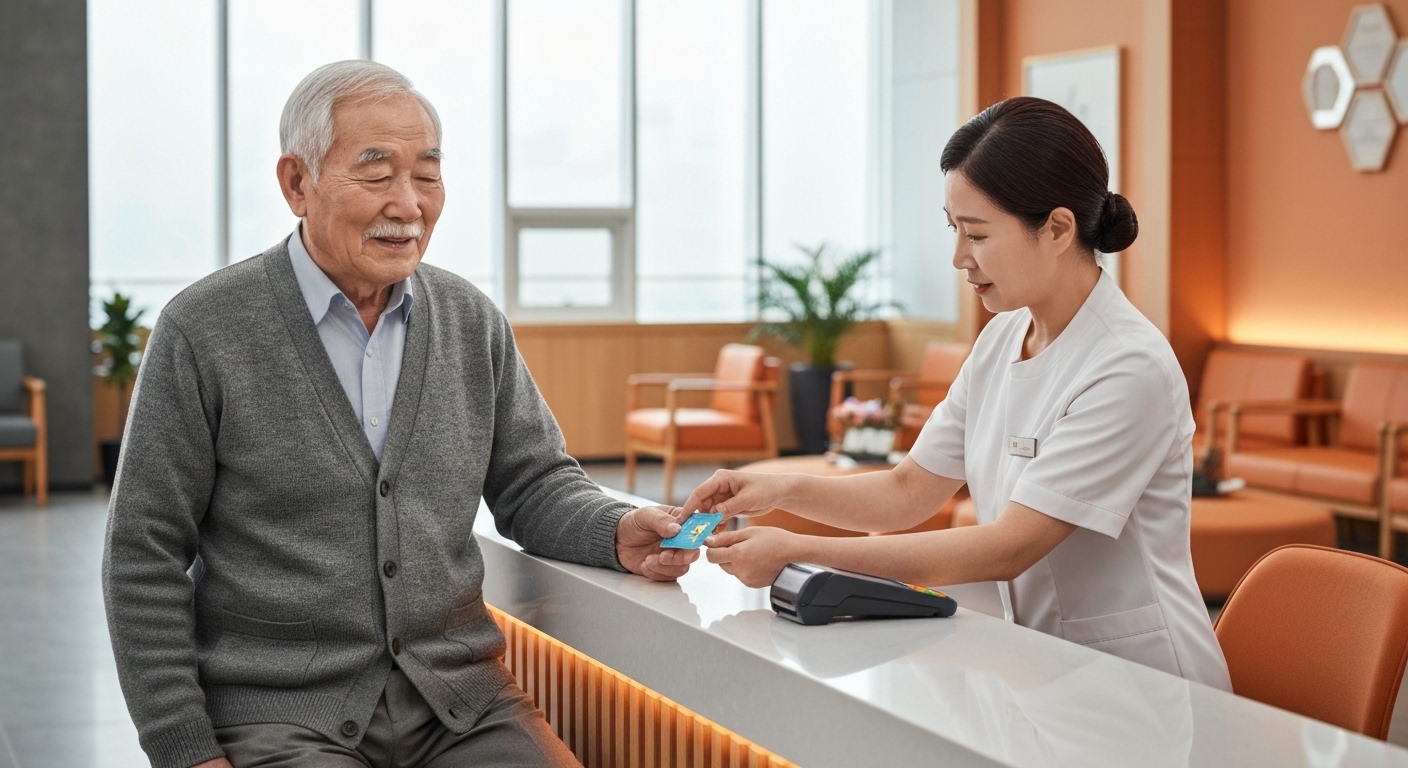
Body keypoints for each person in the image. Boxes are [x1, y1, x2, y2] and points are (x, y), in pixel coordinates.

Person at [102, 60, 698, 768]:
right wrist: (183, 749)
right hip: (277, 715)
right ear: (297, 183)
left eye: (428, 173)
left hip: (461, 704)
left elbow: (534, 482)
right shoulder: (204, 329)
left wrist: (617, 529)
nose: (409, 204)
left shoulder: (469, 320)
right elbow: (143, 554)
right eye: (377, 172)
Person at [684, 96, 1231, 691]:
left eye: (976, 234)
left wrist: (801, 550)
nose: (958, 258)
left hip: (1146, 682)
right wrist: (778, 488)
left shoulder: (1129, 366)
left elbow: (1008, 548)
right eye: (953, 229)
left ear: (1057, 228)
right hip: (1043, 666)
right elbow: (908, 490)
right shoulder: (1002, 338)